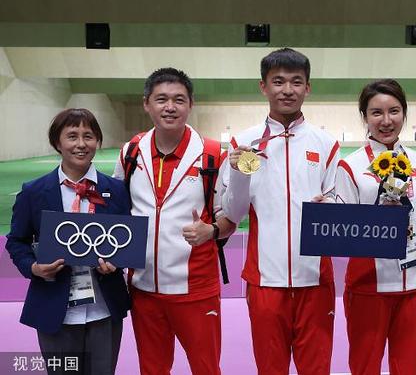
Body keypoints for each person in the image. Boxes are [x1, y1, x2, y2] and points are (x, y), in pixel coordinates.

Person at [222, 48, 340, 374]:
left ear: (308, 88)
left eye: (296, 82)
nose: (287, 90)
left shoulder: (325, 143)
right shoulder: (244, 143)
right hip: (265, 281)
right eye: (278, 81)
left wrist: (330, 208)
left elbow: (338, 206)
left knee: (316, 370)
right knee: (270, 369)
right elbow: (233, 213)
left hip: (315, 281)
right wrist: (238, 174)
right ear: (263, 87)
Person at [113, 68, 234, 375]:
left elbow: (230, 220)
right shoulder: (130, 152)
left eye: (179, 99)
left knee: (206, 369)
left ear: (190, 104)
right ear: (146, 104)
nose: (170, 107)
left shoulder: (211, 155)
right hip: (143, 289)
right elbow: (117, 213)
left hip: (196, 289)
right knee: (152, 369)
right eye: (161, 99)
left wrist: (211, 230)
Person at [5, 108, 130, 375]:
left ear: (98, 141)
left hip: (104, 309)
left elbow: (126, 241)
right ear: (57, 143)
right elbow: (16, 241)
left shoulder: (117, 190)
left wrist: (116, 264)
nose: (81, 144)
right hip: (55, 309)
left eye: (89, 136)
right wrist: (34, 268)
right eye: (72, 136)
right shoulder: (34, 192)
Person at [335, 79, 416, 375]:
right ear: (365, 117)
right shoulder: (350, 166)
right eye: (376, 112)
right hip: (368, 286)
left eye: (394, 111)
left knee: (408, 368)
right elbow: (342, 232)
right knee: (365, 367)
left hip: (414, 285)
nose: (386, 121)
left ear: (404, 113)